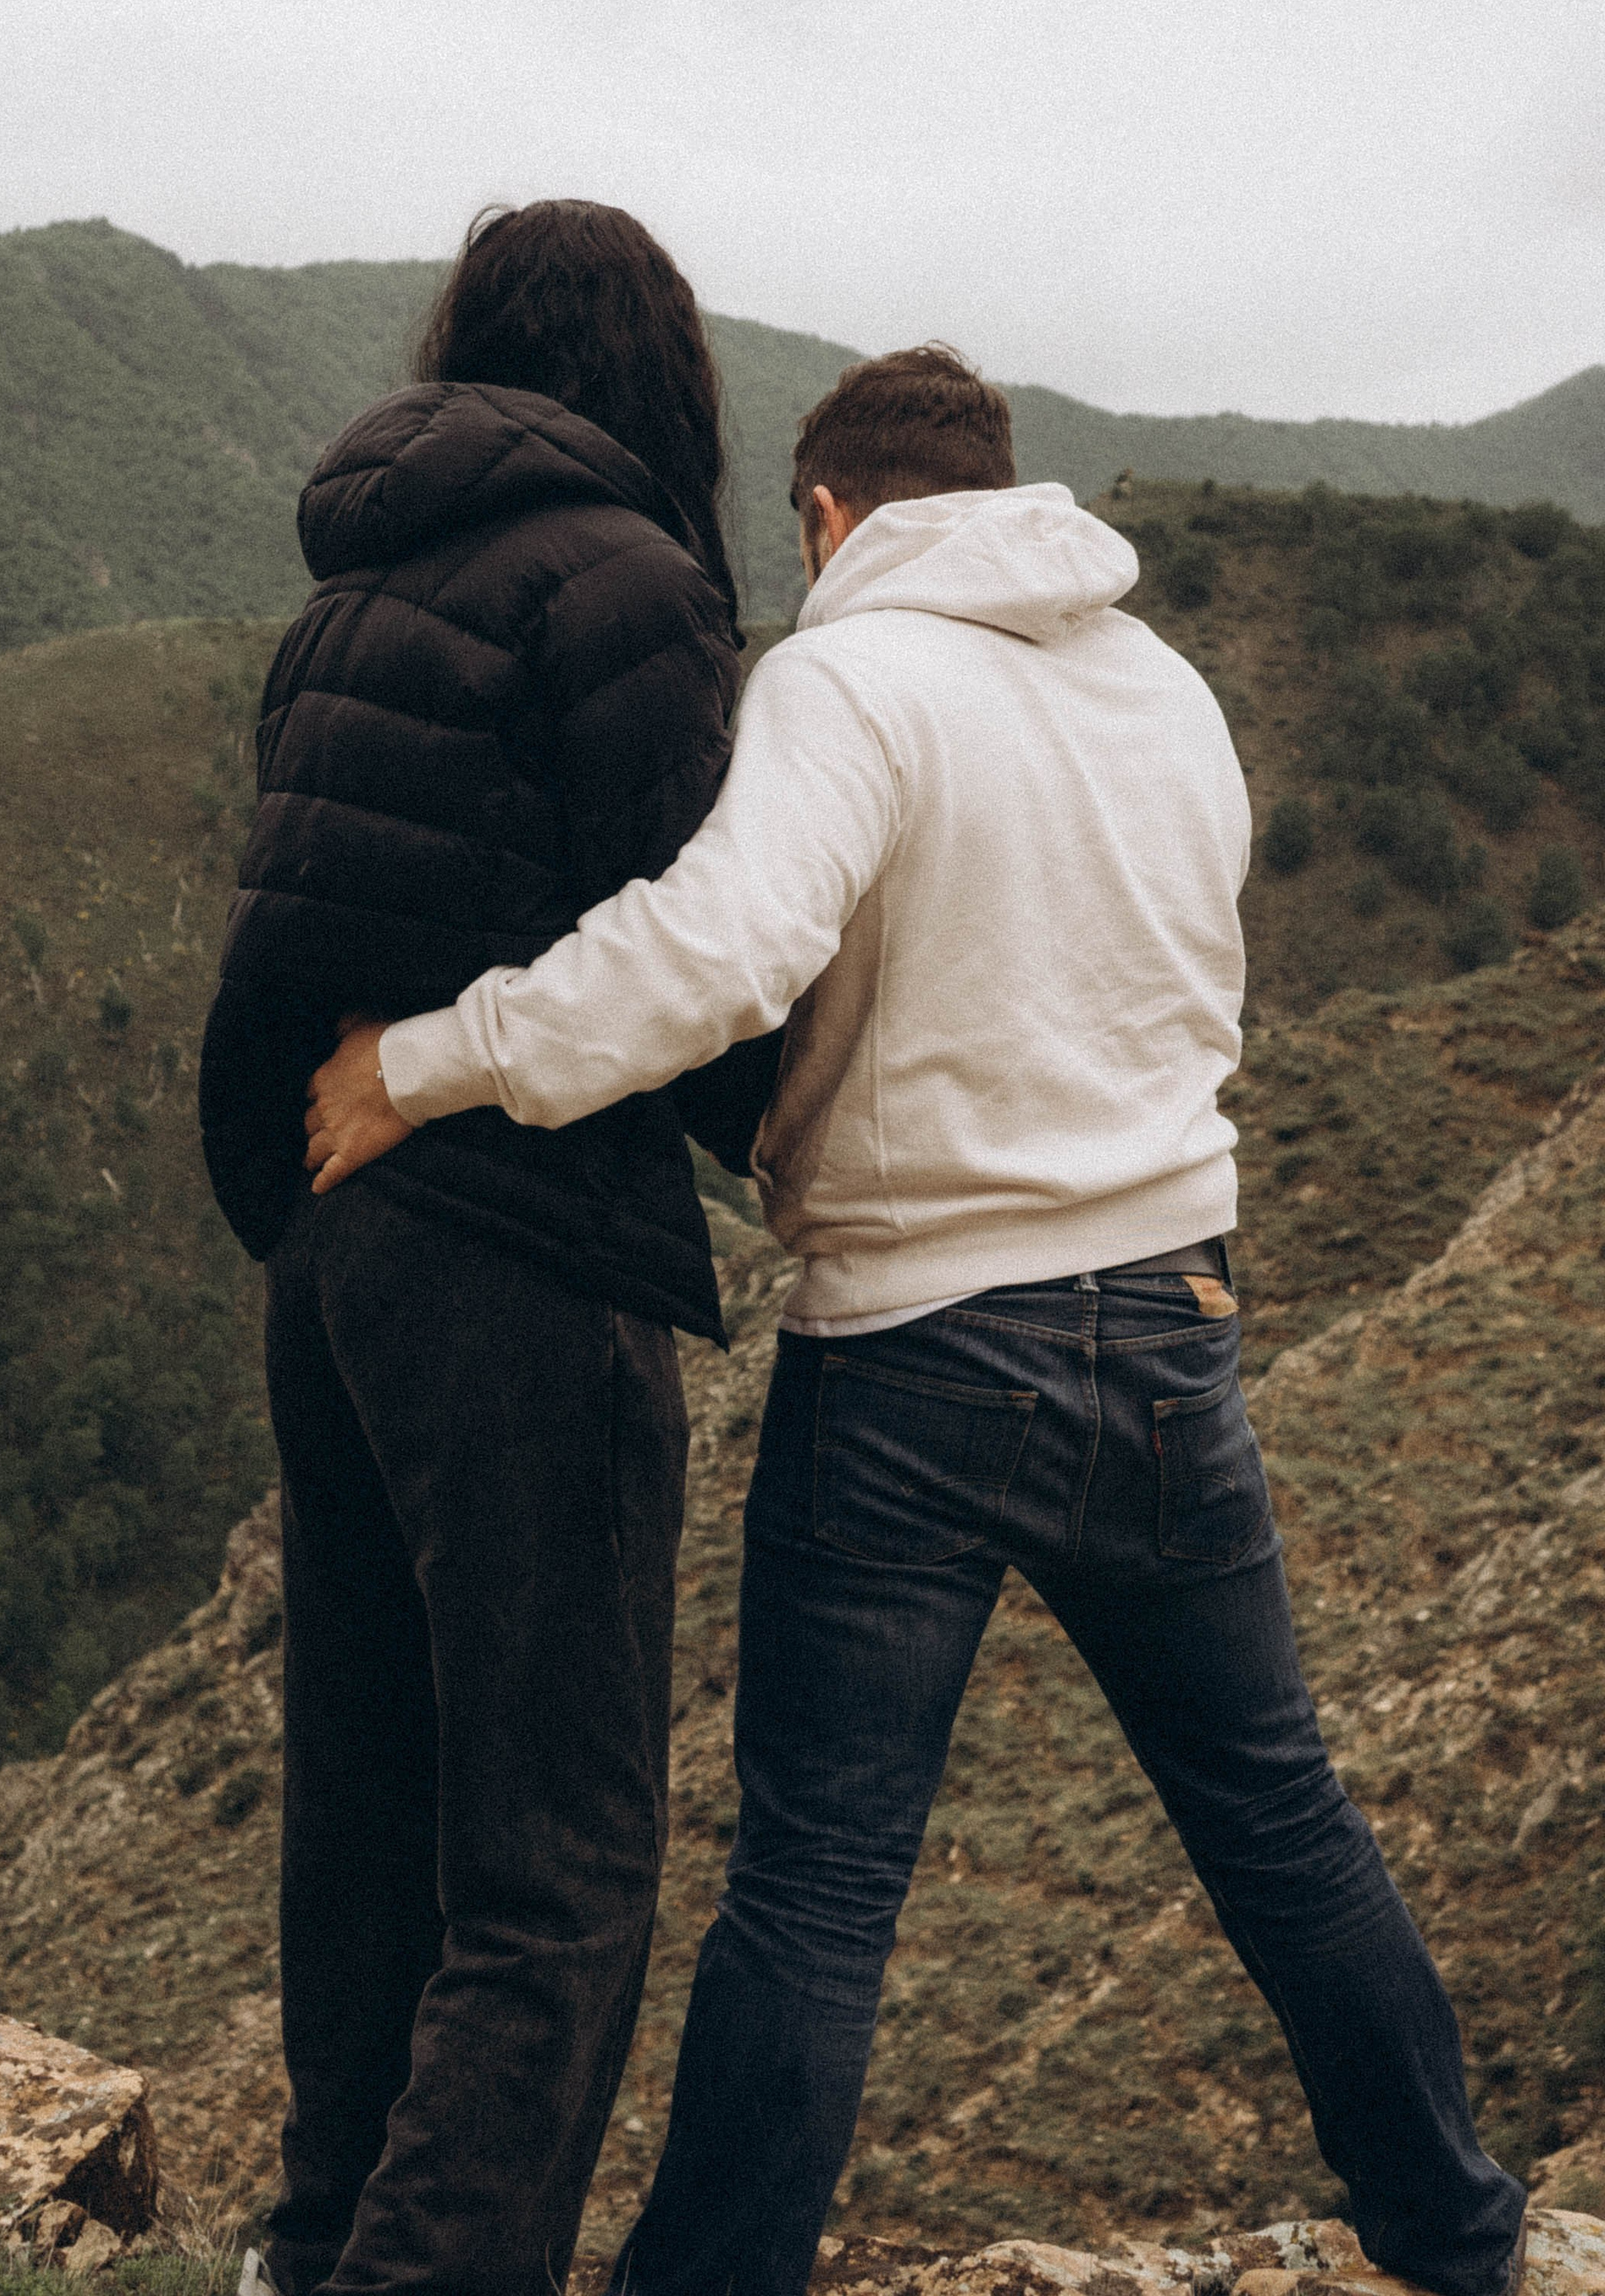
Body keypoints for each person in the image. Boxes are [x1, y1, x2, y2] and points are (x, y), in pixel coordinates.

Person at [303, 344, 1528, 2296]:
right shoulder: (1163, 687)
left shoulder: (846, 680)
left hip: (917, 1347)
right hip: (1174, 1324)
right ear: (1000, 491)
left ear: (824, 519)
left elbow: (715, 952)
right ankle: (1458, 2239)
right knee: (1279, 1823)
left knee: (812, 1889)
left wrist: (430, 1061)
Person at [198, 200, 781, 2296]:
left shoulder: (349, 594)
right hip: (525, 1251)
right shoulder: (626, 584)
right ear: (664, 372)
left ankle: (312, 2247)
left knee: (365, 1819)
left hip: (332, 1246)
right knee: (556, 1874)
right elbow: (700, 959)